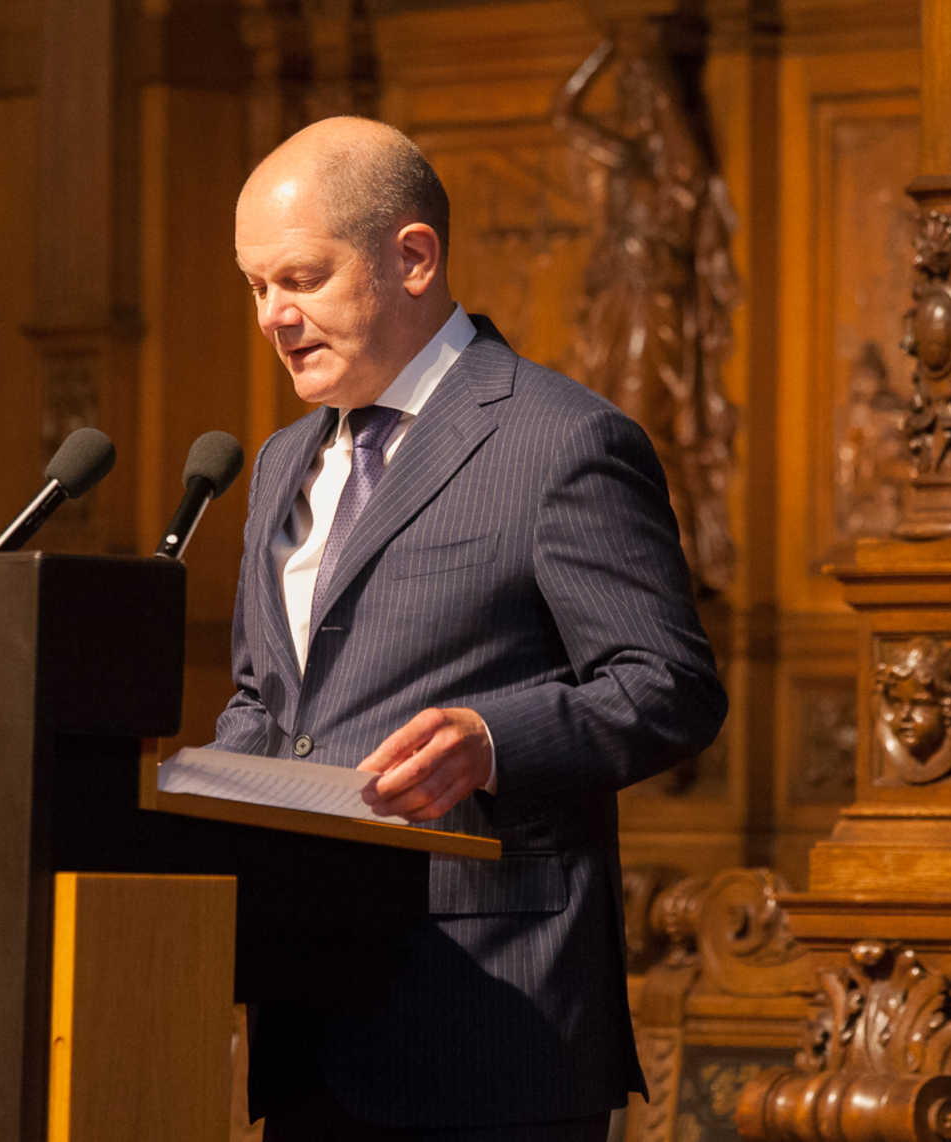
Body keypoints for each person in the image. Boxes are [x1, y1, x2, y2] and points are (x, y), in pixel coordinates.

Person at [216, 115, 727, 1140]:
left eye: (301, 278)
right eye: (256, 287)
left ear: (412, 258)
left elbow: (668, 684)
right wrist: (209, 804)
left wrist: (493, 741)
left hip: (488, 1031)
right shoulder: (279, 462)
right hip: (307, 1024)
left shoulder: (561, 440)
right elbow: (261, 701)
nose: (274, 316)